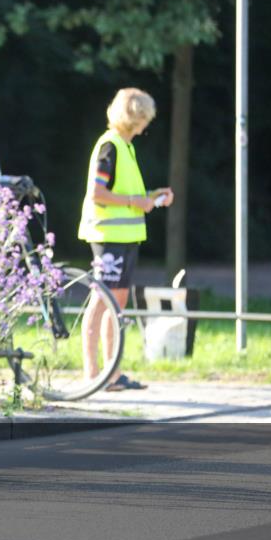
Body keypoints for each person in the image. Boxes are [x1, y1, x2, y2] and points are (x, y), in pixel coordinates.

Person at [77, 87, 174, 391]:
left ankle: (111, 373)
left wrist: (150, 197)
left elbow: (123, 194)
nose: (148, 124)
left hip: (125, 238)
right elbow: (98, 193)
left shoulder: (124, 147)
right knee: (101, 302)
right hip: (108, 237)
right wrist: (136, 200)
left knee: (115, 305)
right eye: (146, 118)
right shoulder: (110, 146)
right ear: (138, 118)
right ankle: (93, 373)